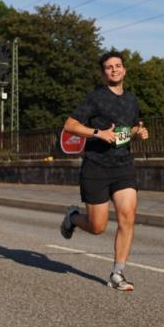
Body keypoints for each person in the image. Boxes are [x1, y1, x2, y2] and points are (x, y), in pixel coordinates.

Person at [60, 50, 149, 292]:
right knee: (98, 226)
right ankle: (73, 218)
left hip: (123, 166)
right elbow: (70, 125)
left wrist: (138, 133)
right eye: (109, 67)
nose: (114, 70)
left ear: (124, 70)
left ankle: (117, 273)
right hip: (96, 166)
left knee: (127, 216)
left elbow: (128, 129)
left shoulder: (131, 99)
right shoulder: (95, 98)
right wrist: (98, 133)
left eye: (118, 66)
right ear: (104, 73)